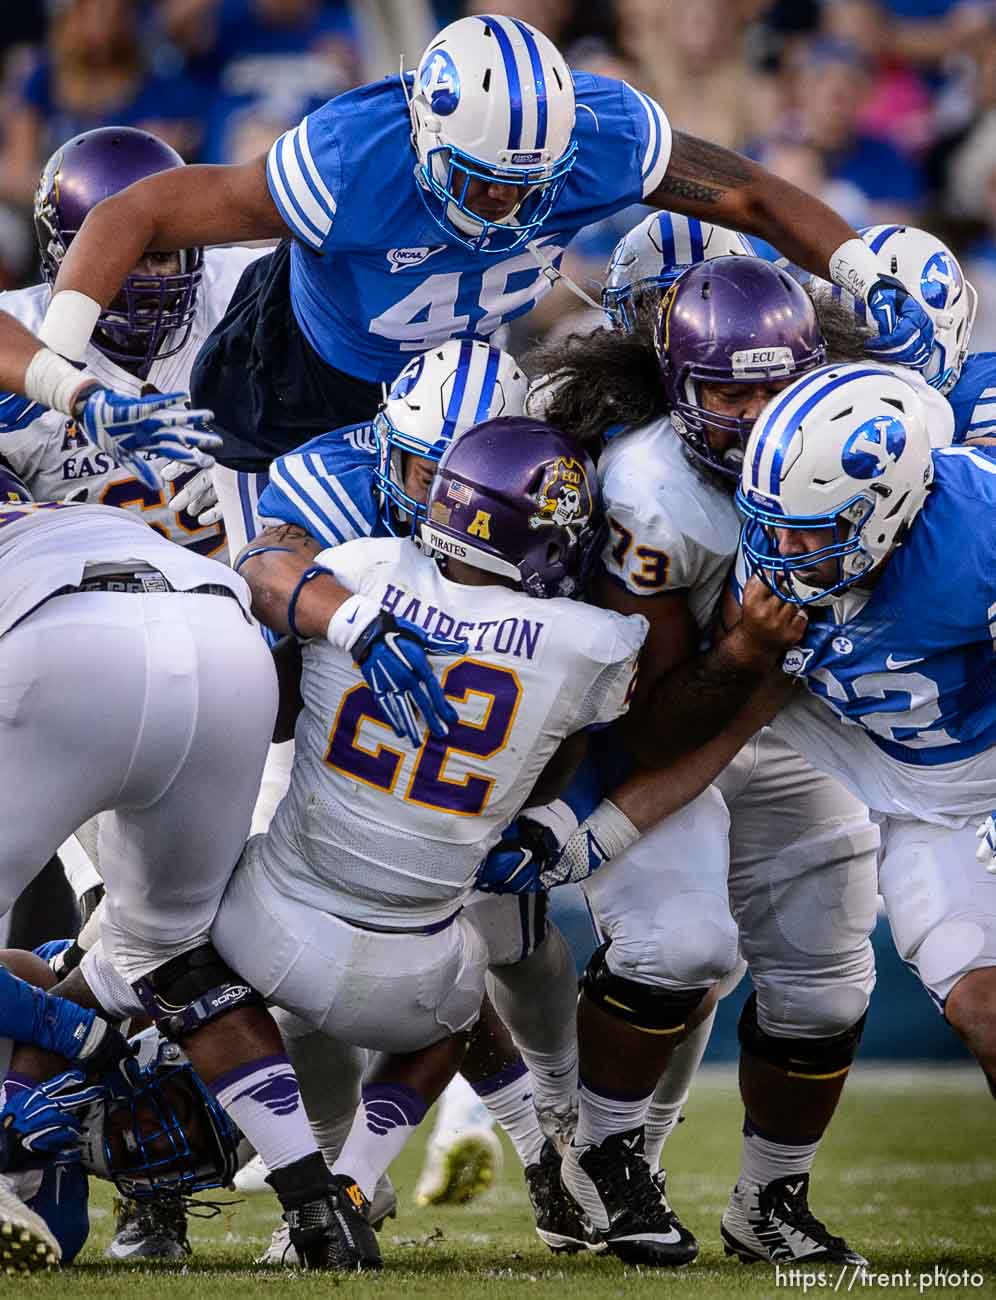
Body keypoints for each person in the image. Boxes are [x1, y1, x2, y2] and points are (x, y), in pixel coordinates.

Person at [36, 12, 935, 504]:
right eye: (481, 182)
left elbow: (751, 194)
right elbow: (142, 207)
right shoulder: (351, 160)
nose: (506, 205)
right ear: (427, 138)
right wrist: (66, 356)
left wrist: (861, 269)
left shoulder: (600, 133)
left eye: (526, 184)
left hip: (462, 382)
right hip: (300, 375)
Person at [484, 251, 882, 1268]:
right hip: (666, 721)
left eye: (774, 387)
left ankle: (769, 1200)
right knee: (679, 947)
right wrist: (748, 648)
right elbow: (654, 718)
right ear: (677, 383)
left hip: (799, 715)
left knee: (830, 981)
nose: (753, 413)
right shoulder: (652, 489)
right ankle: (605, 1156)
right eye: (728, 389)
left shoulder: (865, 434)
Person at [215, 416, 649, 1271]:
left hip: (269, 923)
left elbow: (265, 572)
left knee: (151, 961)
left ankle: (76, 1103)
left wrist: (354, 626)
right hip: (418, 961)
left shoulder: (360, 564)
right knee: (461, 982)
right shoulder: (591, 640)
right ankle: (362, 1176)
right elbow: (587, 741)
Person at [736, 362, 996, 1127]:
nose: (780, 547)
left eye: (810, 529)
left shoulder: (978, 530)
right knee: (982, 1010)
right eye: (770, 520)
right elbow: (725, 720)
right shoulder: (766, 565)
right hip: (925, 805)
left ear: (885, 511)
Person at [0, 124, 270, 555]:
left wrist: (274, 462)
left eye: (161, 255)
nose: (149, 281)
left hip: (245, 595)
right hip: (76, 601)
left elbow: (369, 402)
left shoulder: (247, 290)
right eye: (122, 256)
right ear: (60, 257)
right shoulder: (20, 331)